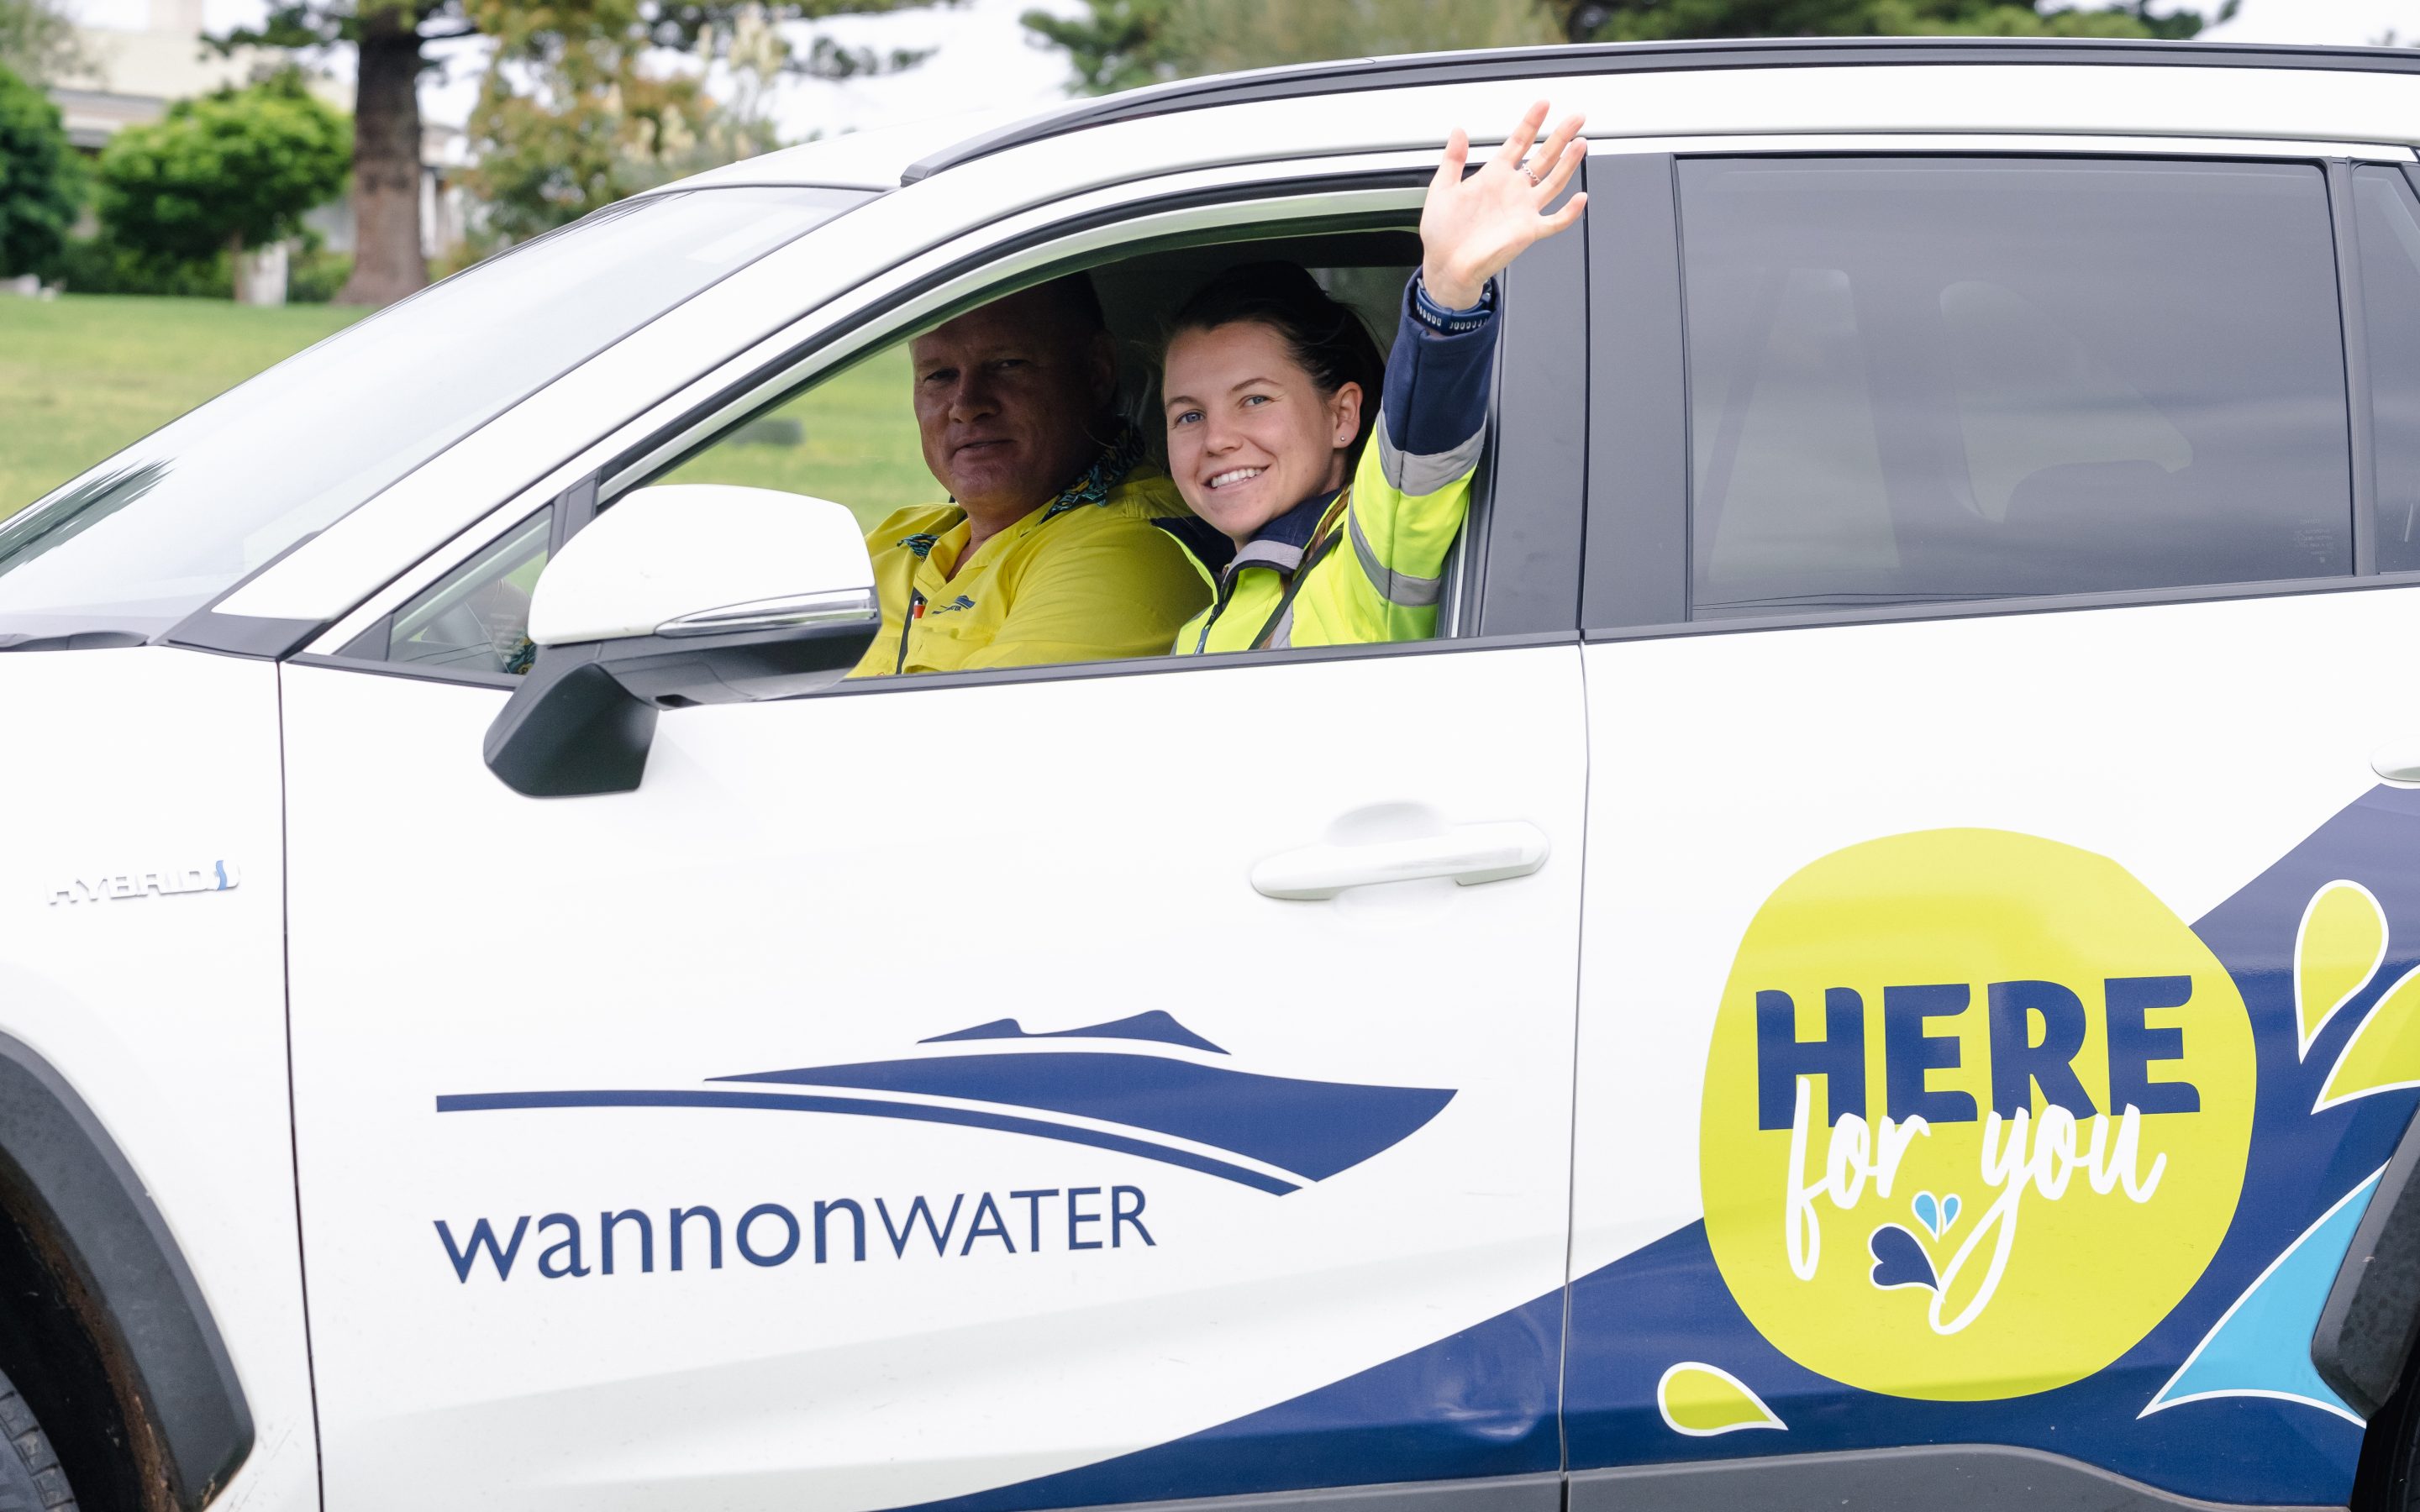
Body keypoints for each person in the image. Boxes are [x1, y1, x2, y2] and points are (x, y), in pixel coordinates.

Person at [1157, 102, 1586, 654]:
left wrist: (1447, 294)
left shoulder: (1370, 555)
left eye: (1255, 400)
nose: (1216, 439)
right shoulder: (1195, 632)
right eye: (1189, 415)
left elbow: (1419, 442)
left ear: (1342, 415)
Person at [852, 274, 1211, 678]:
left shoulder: (1132, 546)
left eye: (1007, 365)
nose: (966, 405)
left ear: (1096, 371)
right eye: (940, 375)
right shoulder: (905, 532)